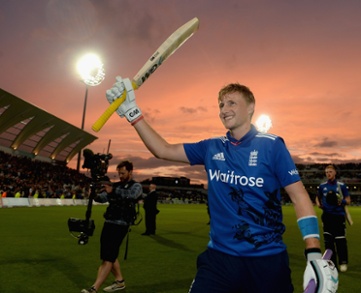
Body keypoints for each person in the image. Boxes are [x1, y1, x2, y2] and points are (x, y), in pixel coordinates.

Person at [105, 78, 337, 293]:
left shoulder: (272, 146)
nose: (224, 110)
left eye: (232, 103)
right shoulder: (211, 147)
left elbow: (299, 197)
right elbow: (163, 150)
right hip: (220, 259)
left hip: (267, 261)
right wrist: (133, 114)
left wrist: (313, 251)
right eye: (221, 105)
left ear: (251, 107)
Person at [81, 161, 143, 293]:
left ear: (130, 172)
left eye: (123, 173)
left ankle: (94, 288)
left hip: (121, 224)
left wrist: (113, 191)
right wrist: (93, 194)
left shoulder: (136, 186)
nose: (120, 176)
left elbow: (131, 195)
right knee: (107, 255)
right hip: (109, 222)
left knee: (108, 257)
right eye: (119, 173)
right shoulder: (115, 186)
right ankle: (119, 281)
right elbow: (102, 198)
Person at [316, 164, 351, 273]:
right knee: (328, 242)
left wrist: (342, 201)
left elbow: (348, 200)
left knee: (340, 241)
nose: (328, 174)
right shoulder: (322, 186)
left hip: (338, 217)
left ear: (335, 173)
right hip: (327, 216)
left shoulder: (341, 186)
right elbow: (318, 197)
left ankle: (343, 262)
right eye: (326, 172)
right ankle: (332, 264)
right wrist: (318, 204)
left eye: (330, 172)